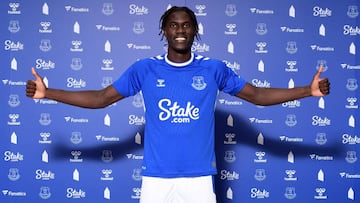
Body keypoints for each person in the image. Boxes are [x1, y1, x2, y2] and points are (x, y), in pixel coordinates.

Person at [26, 6, 330, 203]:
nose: (180, 30)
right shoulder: (144, 69)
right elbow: (100, 99)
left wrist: (307, 89)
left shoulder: (214, 69)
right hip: (156, 178)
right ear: (164, 31)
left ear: (195, 31)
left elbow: (259, 96)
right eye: (174, 25)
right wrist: (49, 92)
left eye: (186, 25)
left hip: (198, 178)